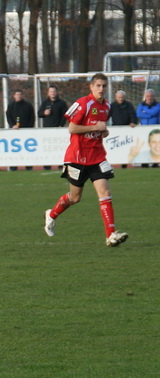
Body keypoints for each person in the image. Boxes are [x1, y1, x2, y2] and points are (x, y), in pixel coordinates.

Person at [44, 73, 128, 248]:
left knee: (105, 193)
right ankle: (51, 215)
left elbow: (100, 129)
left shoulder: (107, 106)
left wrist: (103, 132)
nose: (101, 89)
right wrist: (95, 127)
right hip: (77, 157)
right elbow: (72, 128)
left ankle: (111, 235)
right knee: (75, 197)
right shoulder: (83, 103)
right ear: (91, 86)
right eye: (98, 85)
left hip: (97, 157)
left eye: (104, 86)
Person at [37, 85, 68, 169]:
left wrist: (61, 125)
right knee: (47, 148)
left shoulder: (62, 103)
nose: (52, 93)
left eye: (54, 91)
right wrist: (44, 113)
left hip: (58, 129)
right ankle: (47, 165)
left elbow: (65, 115)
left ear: (56, 92)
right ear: (48, 93)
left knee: (59, 148)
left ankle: (60, 164)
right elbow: (39, 114)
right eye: (51, 91)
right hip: (47, 130)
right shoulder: (45, 103)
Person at [6, 89, 35, 170]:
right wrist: (13, 125)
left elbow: (32, 117)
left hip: (26, 131)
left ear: (22, 95)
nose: (19, 96)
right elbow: (8, 117)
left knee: (28, 150)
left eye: (20, 94)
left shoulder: (28, 105)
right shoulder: (11, 106)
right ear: (14, 96)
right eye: (17, 94)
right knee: (14, 150)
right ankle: (13, 166)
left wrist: (28, 128)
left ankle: (28, 166)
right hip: (15, 132)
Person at [109, 90, 138, 168]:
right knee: (116, 147)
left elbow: (133, 115)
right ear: (116, 97)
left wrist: (133, 122)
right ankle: (115, 161)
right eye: (119, 97)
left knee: (126, 147)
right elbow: (107, 115)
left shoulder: (129, 105)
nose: (120, 99)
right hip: (116, 129)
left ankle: (124, 163)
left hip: (127, 130)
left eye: (122, 97)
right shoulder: (112, 105)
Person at [135, 89, 160, 167]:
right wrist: (149, 115)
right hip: (144, 129)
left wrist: (144, 112)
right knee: (144, 145)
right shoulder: (141, 105)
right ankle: (144, 162)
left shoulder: (158, 105)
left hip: (155, 129)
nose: (149, 98)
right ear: (145, 97)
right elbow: (138, 114)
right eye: (148, 96)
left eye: (151, 96)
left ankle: (155, 162)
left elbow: (154, 112)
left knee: (155, 145)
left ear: (154, 97)